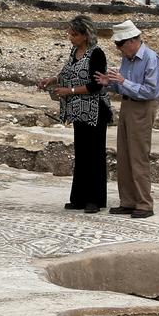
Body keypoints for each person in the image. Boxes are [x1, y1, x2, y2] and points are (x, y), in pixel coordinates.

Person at [37, 15, 110, 214]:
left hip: (94, 111)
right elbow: (67, 74)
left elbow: (95, 85)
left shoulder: (97, 54)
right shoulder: (74, 52)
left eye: (74, 34)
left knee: (94, 154)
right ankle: (79, 198)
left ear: (85, 35)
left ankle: (95, 199)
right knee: (82, 153)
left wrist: (69, 92)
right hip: (79, 111)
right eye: (70, 33)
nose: (70, 37)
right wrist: (51, 80)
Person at [94, 19, 159, 219]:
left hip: (142, 108)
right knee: (123, 155)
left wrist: (124, 81)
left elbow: (151, 90)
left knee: (138, 156)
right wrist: (110, 83)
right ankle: (128, 201)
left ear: (131, 41)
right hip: (127, 105)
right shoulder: (128, 59)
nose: (119, 49)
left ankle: (144, 203)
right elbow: (123, 84)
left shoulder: (150, 58)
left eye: (120, 45)